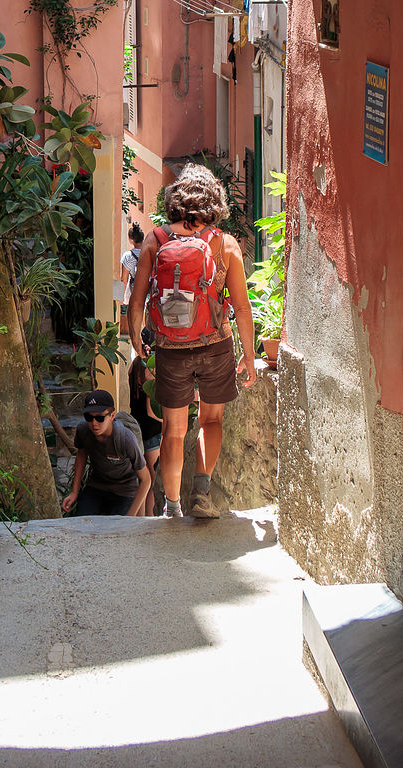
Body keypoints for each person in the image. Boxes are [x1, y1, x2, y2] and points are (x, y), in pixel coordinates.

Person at [127, 164, 256, 520]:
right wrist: (248, 355)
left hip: (171, 347)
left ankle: (172, 507)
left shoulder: (156, 238)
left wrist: (138, 340)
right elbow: (242, 309)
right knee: (211, 421)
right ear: (214, 200)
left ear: (176, 199)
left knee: (172, 430)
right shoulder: (225, 243)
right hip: (215, 344)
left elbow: (137, 300)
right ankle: (201, 492)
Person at [61, 389, 151, 517]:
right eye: (89, 417)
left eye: (100, 418)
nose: (94, 423)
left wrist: (130, 517)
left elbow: (146, 479)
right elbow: (81, 454)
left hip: (125, 491)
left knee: (116, 529)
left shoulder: (125, 439)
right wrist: (74, 492)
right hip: (97, 487)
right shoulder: (83, 430)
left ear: (112, 416)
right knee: (81, 523)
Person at [128, 342, 163, 516]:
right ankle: (149, 518)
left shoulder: (133, 373)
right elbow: (151, 411)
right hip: (153, 434)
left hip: (139, 431)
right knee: (151, 482)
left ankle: (143, 517)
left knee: (144, 480)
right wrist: (169, 420)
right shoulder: (149, 381)